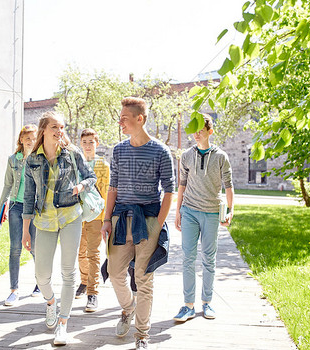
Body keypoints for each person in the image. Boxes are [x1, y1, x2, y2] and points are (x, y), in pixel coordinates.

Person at [100, 97, 175, 350]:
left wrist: (158, 225)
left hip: (148, 222)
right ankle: (127, 308)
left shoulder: (160, 151)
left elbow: (169, 191)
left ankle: (142, 335)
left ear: (139, 119)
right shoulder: (119, 150)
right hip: (121, 220)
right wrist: (106, 220)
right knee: (114, 272)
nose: (120, 122)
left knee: (144, 279)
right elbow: (113, 187)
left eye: (124, 118)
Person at [22, 111, 97, 345]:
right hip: (43, 220)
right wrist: (26, 230)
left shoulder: (72, 153)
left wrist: (80, 187)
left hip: (70, 216)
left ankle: (63, 324)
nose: (59, 131)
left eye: (62, 127)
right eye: (55, 127)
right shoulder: (33, 160)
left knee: (68, 271)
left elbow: (91, 176)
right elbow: (28, 196)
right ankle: (51, 303)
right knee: (41, 274)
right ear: (43, 129)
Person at [173, 113, 234, 322]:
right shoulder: (186, 156)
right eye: (194, 131)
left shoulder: (221, 157)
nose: (196, 135)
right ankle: (188, 305)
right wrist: (178, 211)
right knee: (188, 258)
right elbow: (182, 184)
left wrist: (230, 210)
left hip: (211, 212)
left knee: (209, 258)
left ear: (210, 131)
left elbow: (229, 185)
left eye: (201, 130)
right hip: (189, 210)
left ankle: (207, 303)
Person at [0, 124, 39, 306]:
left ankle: (40, 285)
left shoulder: (40, 158)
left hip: (36, 208)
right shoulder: (13, 159)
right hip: (16, 206)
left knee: (36, 249)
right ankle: (14, 290)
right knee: (15, 249)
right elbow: (8, 184)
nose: (30, 141)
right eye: (27, 138)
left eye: (34, 138)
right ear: (21, 139)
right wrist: (2, 207)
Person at [76, 128, 110, 312]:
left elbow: (106, 192)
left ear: (97, 143)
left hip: (96, 215)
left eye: (91, 142)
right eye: (85, 142)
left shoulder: (103, 165)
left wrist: (106, 218)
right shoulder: (76, 163)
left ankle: (93, 292)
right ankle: (83, 281)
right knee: (80, 253)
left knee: (93, 253)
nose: (88, 145)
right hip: (77, 216)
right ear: (80, 144)